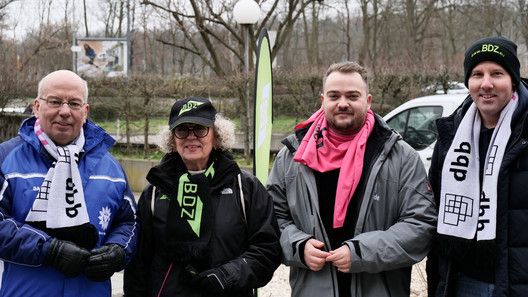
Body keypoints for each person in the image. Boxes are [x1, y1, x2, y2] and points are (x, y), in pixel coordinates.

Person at [266, 61, 437, 297]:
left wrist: (362, 252)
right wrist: (297, 246)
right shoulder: (293, 155)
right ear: (322, 99)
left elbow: (421, 225)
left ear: (367, 101)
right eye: (334, 95)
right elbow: (271, 219)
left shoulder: (402, 157)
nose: (343, 103)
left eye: (352, 96)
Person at [123, 97, 281, 297]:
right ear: (172, 140)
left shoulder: (245, 188)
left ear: (216, 137)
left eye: (200, 128)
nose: (191, 136)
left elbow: (268, 249)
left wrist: (227, 275)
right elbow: (138, 265)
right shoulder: (155, 192)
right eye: (182, 130)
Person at [0, 70, 139, 296]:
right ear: (36, 106)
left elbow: (129, 222)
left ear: (85, 112)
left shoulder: (111, 168)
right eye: (54, 101)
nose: (64, 111)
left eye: (74, 104)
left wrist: (118, 251)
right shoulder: (6, 159)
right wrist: (48, 250)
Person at [427, 36, 528, 297]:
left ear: (513, 80)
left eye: (497, 73)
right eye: (477, 74)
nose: (486, 83)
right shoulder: (451, 137)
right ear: (467, 82)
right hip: (464, 282)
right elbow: (434, 212)